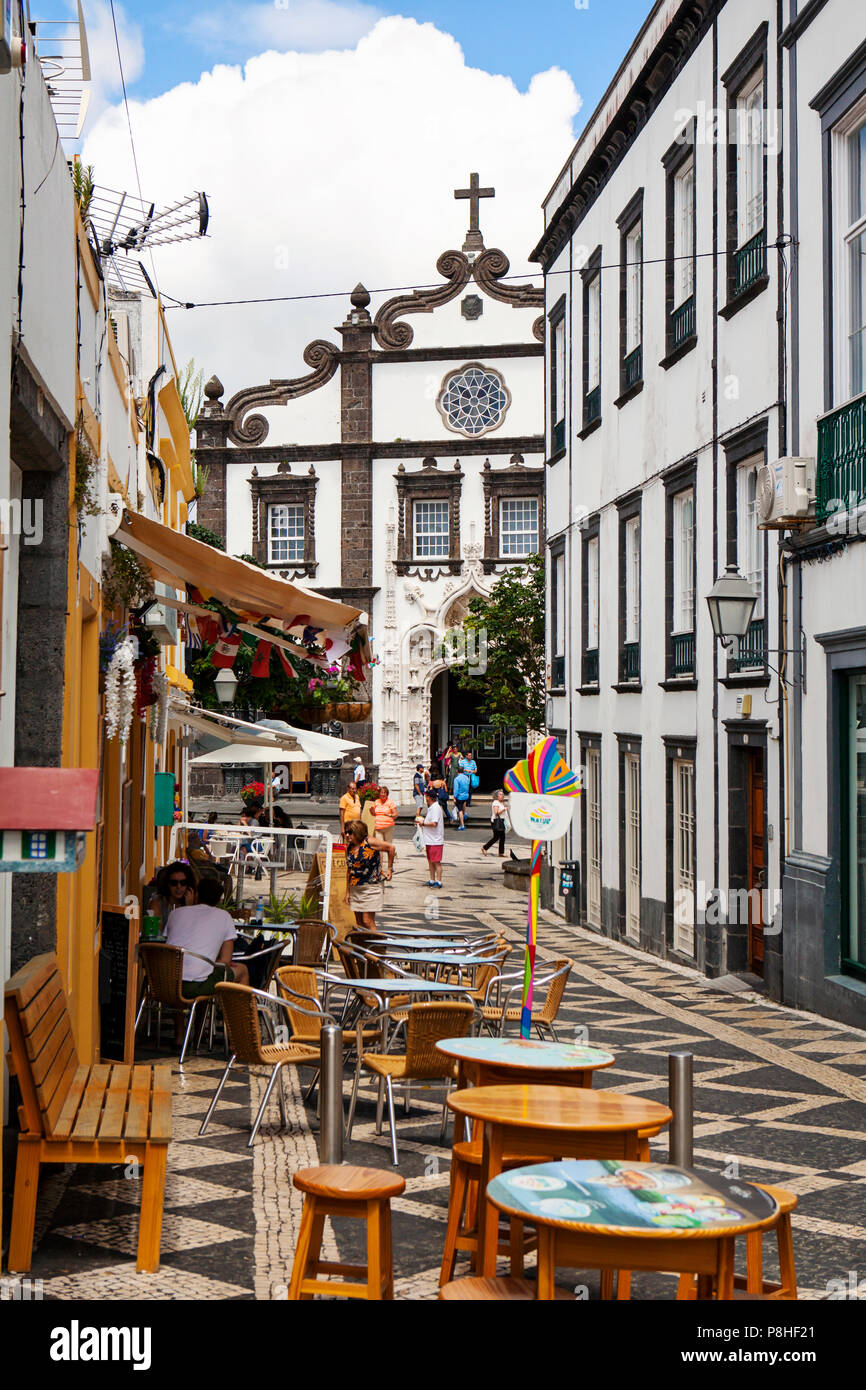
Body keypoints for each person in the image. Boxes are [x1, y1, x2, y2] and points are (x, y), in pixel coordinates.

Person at [164, 875, 249, 996]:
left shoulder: (175, 913)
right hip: (192, 986)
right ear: (219, 900)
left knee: (205, 972)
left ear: (196, 894)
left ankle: (188, 1015)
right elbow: (225, 960)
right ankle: (239, 1015)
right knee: (242, 970)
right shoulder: (224, 916)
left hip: (164, 982)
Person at [344, 818, 395, 929]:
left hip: (371, 887)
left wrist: (390, 868)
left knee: (367, 921)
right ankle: (362, 945)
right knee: (359, 924)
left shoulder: (369, 842)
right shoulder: (349, 848)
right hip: (356, 888)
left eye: (350, 832)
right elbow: (349, 871)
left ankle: (378, 945)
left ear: (357, 832)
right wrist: (347, 892)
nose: (347, 835)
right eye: (346, 832)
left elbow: (391, 848)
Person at [145, 860, 197, 932]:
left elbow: (194, 931)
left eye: (183, 883)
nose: (179, 887)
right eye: (174, 883)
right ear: (167, 884)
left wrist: (189, 908)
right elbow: (154, 932)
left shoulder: (194, 903)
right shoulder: (157, 903)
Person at [416, 787, 445, 888]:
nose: (426, 798)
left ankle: (439, 881)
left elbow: (434, 823)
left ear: (430, 798)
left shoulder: (436, 808)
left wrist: (423, 823)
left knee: (436, 862)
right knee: (430, 861)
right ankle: (432, 879)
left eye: (426, 797)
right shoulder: (432, 808)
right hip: (429, 839)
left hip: (435, 840)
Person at [481, 789, 508, 858]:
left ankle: (501, 852)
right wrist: (504, 809)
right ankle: (485, 848)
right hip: (496, 821)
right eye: (500, 794)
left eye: (502, 794)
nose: (502, 796)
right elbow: (496, 813)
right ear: (497, 796)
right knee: (496, 837)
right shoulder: (496, 803)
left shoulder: (501, 803)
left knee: (502, 837)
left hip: (501, 821)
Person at [452, 765, 470, 831]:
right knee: (463, 808)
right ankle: (462, 822)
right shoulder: (466, 778)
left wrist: (454, 797)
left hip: (459, 796)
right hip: (465, 795)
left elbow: (456, 789)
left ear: (457, 771)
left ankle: (462, 825)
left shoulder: (457, 779)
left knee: (460, 810)